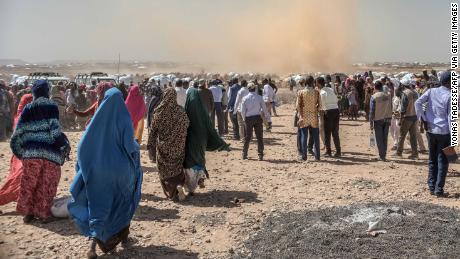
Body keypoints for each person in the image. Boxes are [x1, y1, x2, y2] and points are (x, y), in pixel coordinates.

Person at [68, 88, 143, 258]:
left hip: (98, 174)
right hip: (120, 172)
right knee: (123, 201)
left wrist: (87, 167)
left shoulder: (96, 120)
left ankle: (93, 245)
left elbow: (82, 148)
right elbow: (129, 146)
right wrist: (136, 146)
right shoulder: (123, 117)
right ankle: (124, 237)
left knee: (98, 205)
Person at [10, 80, 70, 223]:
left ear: (34, 92)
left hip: (31, 154)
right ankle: (43, 214)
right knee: (47, 182)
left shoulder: (28, 108)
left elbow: (17, 133)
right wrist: (64, 146)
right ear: (47, 91)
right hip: (50, 153)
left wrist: (21, 152)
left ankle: (28, 214)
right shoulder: (52, 106)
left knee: (29, 183)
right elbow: (55, 131)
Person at [183, 88, 229, 193]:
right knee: (200, 157)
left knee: (189, 159)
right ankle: (200, 178)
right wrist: (217, 141)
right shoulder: (203, 111)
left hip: (190, 141)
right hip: (201, 139)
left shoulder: (186, 110)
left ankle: (190, 186)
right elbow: (210, 126)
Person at [147, 88, 189, 200]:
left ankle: (171, 192)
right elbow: (187, 124)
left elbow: (152, 130)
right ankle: (179, 185)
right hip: (178, 147)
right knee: (177, 167)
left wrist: (149, 144)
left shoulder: (159, 112)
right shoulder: (180, 111)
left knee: (164, 169)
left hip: (163, 147)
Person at [415, 71, 452, 197]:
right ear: (449, 82)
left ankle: (432, 187)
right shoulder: (451, 96)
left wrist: (423, 118)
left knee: (432, 160)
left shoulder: (431, 91)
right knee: (443, 161)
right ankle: (438, 190)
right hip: (444, 132)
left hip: (431, 130)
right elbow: (450, 118)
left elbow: (418, 103)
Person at [0, 94, 33, 205]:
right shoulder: (26, 117)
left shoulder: (20, 115)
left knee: (19, 179)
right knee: (18, 179)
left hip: (20, 153)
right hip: (24, 154)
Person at [241, 83, 271, 161]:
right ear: (255, 89)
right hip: (258, 118)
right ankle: (260, 155)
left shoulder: (245, 98)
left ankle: (244, 154)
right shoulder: (260, 98)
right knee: (259, 137)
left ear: (248, 89)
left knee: (247, 137)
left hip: (248, 119)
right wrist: (268, 120)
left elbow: (242, 111)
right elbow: (265, 110)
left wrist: (244, 119)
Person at [296, 76, 321, 161]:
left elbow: (298, 106)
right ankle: (317, 157)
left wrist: (300, 115)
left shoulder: (301, 92)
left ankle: (304, 157)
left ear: (305, 82)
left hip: (304, 116)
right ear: (312, 82)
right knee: (316, 137)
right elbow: (319, 105)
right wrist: (316, 111)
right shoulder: (316, 92)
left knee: (304, 136)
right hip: (314, 116)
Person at [395, 79, 418, 159]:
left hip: (407, 117)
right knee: (413, 136)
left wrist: (401, 119)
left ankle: (399, 153)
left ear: (402, 85)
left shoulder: (405, 93)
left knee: (402, 136)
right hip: (414, 117)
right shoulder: (415, 93)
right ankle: (415, 154)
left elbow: (403, 108)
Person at [369, 81, 392, 161]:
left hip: (378, 119)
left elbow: (372, 111)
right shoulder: (388, 96)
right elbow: (391, 107)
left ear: (375, 87)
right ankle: (383, 154)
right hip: (387, 119)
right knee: (384, 138)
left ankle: (382, 156)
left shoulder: (374, 97)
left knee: (379, 138)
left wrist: (371, 123)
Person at [319, 77, 341, 157]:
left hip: (328, 112)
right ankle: (338, 151)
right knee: (335, 132)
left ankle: (328, 151)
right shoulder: (330, 89)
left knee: (327, 132)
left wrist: (321, 112)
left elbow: (322, 105)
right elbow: (336, 99)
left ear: (318, 84)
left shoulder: (322, 92)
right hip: (336, 110)